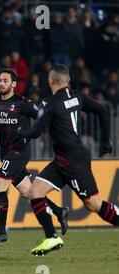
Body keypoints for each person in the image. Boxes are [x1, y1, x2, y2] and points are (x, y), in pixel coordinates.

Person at [18, 64, 116, 256]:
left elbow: (36, 132)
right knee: (33, 191)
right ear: (68, 81)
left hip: (74, 161)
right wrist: (105, 141)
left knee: (93, 204)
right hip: (64, 159)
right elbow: (103, 110)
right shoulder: (77, 96)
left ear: (50, 80)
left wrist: (20, 132)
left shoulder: (52, 103)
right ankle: (52, 238)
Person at [0, 69, 69, 245]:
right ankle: (59, 212)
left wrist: (27, 136)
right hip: (6, 154)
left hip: (18, 153)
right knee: (29, 192)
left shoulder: (23, 103)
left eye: (5, 81)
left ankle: (1, 231)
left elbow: (41, 119)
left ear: (14, 84)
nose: (1, 84)